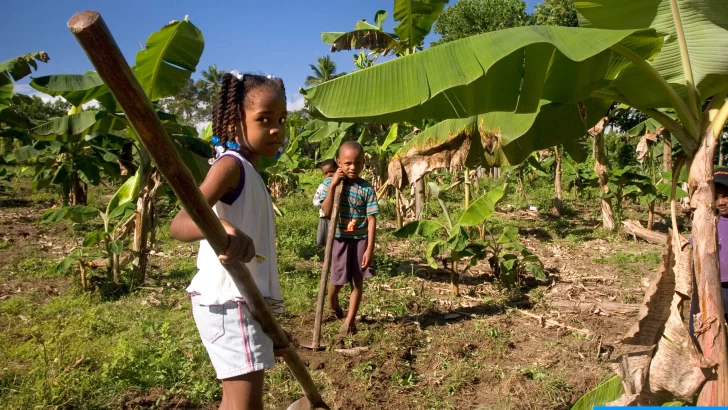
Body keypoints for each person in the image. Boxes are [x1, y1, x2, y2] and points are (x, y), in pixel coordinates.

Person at [169, 71, 288, 410]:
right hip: (228, 302)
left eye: (281, 119)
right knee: (243, 404)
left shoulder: (249, 171)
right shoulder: (229, 166)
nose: (276, 129)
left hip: (242, 301)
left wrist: (268, 320)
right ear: (235, 123)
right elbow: (179, 224)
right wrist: (224, 229)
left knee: (240, 401)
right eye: (263, 119)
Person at [320, 141, 379, 335]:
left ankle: (349, 321)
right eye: (347, 163)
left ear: (363, 163)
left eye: (358, 163)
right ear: (339, 163)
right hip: (339, 238)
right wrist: (334, 186)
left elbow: (371, 220)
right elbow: (326, 211)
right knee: (337, 280)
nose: (353, 168)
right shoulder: (331, 183)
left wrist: (369, 249)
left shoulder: (366, 189)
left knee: (357, 280)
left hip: (360, 239)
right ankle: (333, 302)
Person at [313, 159, 338, 247]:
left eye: (331, 171)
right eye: (326, 173)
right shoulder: (322, 186)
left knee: (335, 242)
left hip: (336, 218)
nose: (329, 175)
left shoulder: (341, 185)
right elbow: (315, 200)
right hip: (324, 217)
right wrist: (323, 202)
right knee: (325, 241)